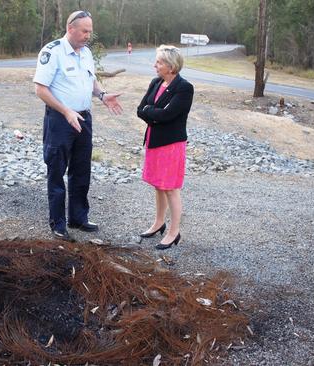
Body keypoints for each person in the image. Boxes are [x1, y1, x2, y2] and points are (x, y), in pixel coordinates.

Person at [33, 10, 122, 241]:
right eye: (84, 31)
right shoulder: (52, 52)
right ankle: (58, 224)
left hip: (83, 118)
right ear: (70, 28)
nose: (88, 36)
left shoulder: (86, 53)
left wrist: (102, 95)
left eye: (90, 31)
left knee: (82, 170)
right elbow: (40, 88)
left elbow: (90, 79)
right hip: (60, 120)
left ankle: (78, 218)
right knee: (56, 171)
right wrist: (66, 111)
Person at [136, 45, 194, 250]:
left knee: (170, 188)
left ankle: (174, 231)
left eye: (159, 62)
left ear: (171, 66)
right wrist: (155, 112)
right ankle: (159, 223)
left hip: (171, 144)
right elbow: (140, 110)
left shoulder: (184, 88)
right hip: (154, 140)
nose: (155, 65)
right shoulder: (155, 82)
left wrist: (152, 112)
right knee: (158, 185)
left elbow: (168, 115)